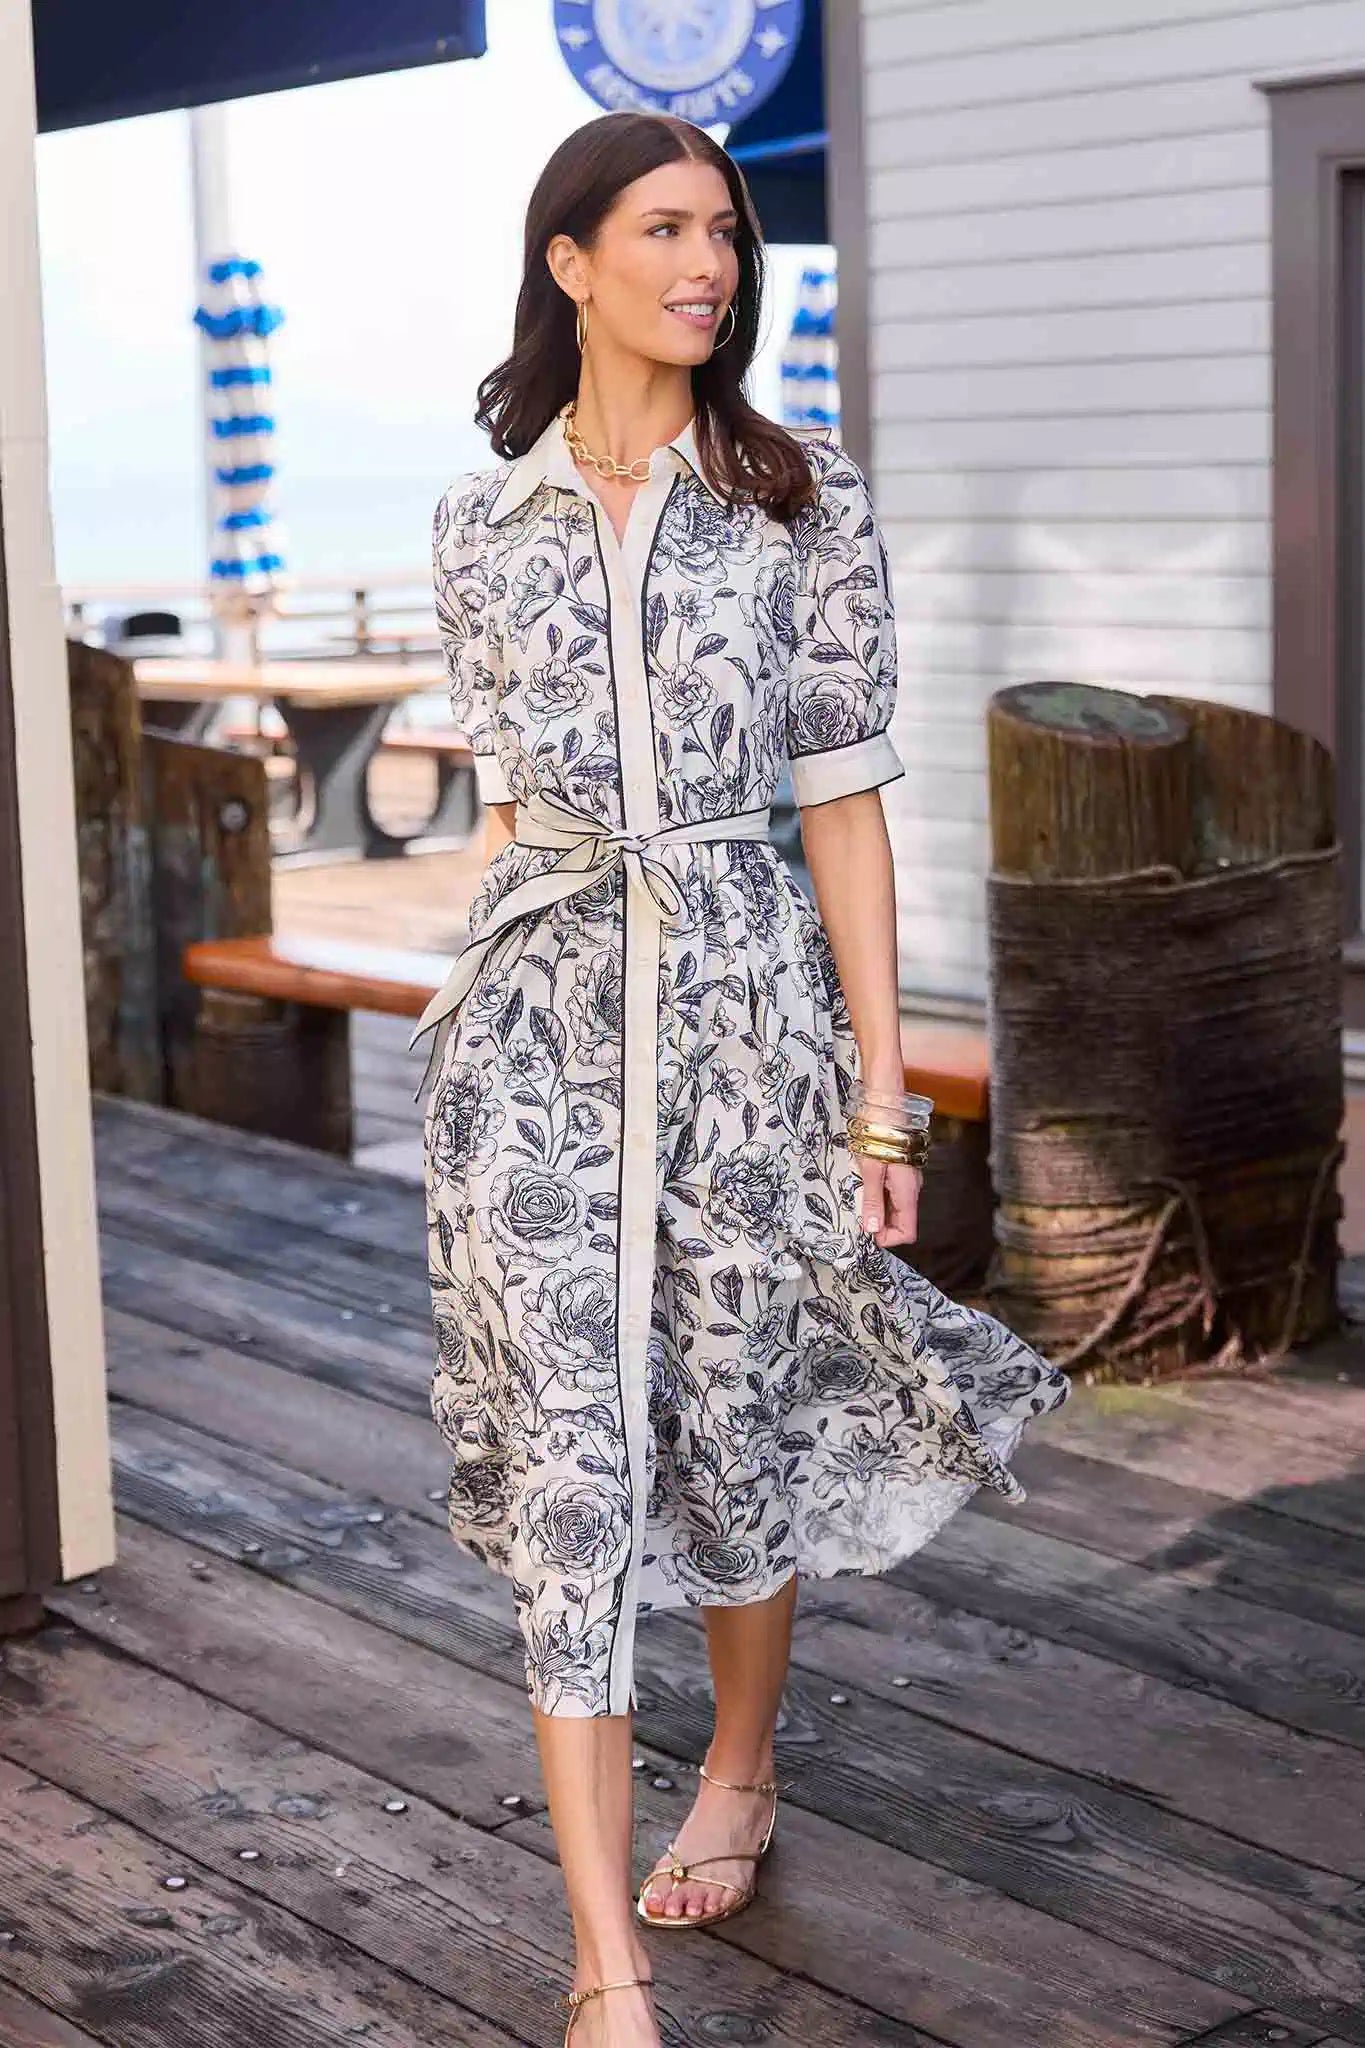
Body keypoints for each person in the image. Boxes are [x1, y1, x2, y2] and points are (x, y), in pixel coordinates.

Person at [412, 109, 1072, 2048]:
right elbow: (512, 811)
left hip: (744, 1028)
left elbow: (845, 816)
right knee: (567, 1454)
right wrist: (469, 1034)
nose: (706, 262)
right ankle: (602, 1960)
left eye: (725, 231)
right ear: (569, 260)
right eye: (664, 228)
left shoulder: (801, 497)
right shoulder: (481, 522)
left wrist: (881, 1095)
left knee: (733, 1409)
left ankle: (745, 1759)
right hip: (534, 1040)